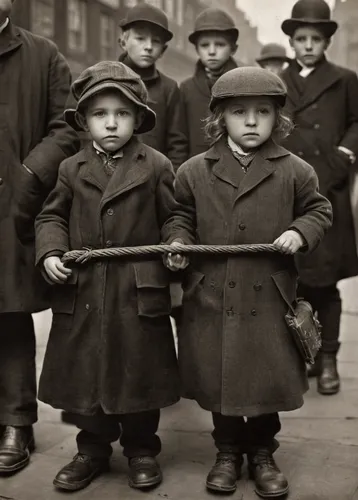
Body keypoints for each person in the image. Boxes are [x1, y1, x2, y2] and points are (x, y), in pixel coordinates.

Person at [162, 67, 332, 498]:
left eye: (263, 111)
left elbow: (319, 210)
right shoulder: (195, 171)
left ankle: (261, 451)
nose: (252, 121)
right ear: (220, 118)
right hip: (213, 293)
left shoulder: (295, 170)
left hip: (269, 295)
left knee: (264, 377)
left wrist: (300, 231)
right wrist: (179, 242)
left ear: (279, 118)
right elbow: (180, 215)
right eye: (239, 112)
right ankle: (226, 451)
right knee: (219, 379)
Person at [35, 61, 180, 492]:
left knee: (139, 373)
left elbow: (174, 217)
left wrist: (175, 245)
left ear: (137, 119)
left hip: (137, 288)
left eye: (121, 113)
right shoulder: (70, 168)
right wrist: (51, 251)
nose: (111, 123)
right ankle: (91, 449)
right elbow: (51, 216)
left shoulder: (156, 165)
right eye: (100, 114)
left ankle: (141, 449)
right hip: (87, 290)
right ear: (84, 121)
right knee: (87, 373)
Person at [0, 0, 79, 475]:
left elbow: (67, 125)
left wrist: (31, 172)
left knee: (8, 312)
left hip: (13, 207)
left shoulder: (43, 54)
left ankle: (15, 422)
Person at [280, 0, 358, 394]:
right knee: (293, 279)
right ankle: (305, 355)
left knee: (326, 282)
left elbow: (357, 122)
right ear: (291, 41)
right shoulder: (277, 79)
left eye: (316, 38)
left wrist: (344, 155)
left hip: (329, 189)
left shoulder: (345, 79)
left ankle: (329, 359)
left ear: (327, 40)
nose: (308, 45)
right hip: (290, 191)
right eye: (301, 39)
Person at [118, 2, 187, 171]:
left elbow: (177, 145)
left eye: (155, 41)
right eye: (140, 38)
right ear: (123, 42)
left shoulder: (169, 89)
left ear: (163, 50)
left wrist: (169, 183)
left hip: (152, 180)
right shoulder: (103, 80)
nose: (148, 47)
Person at [180, 8, 239, 159]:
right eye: (205, 45)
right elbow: (179, 140)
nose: (212, 51)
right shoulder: (187, 89)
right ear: (197, 50)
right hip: (196, 172)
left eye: (219, 44)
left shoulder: (244, 85)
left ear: (233, 49)